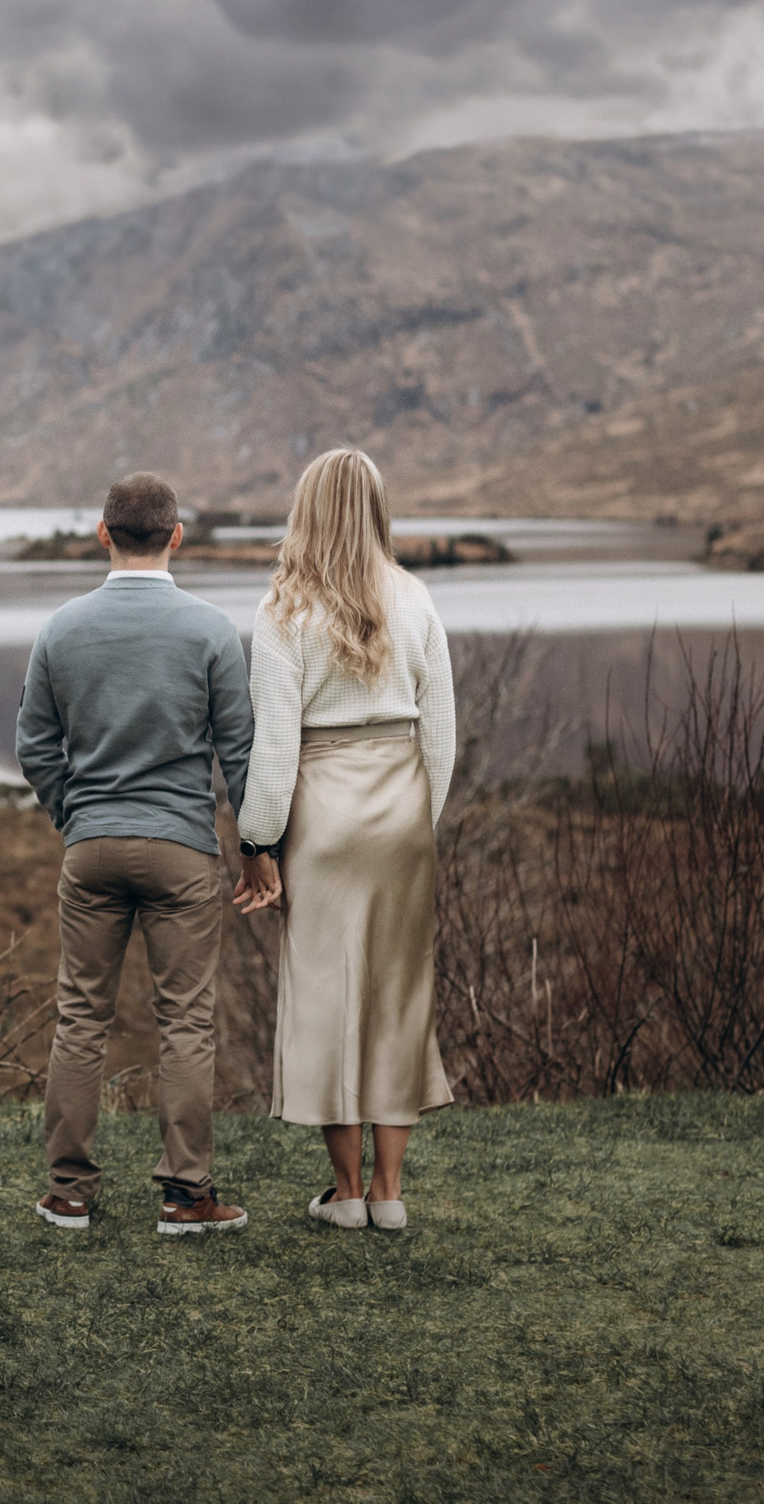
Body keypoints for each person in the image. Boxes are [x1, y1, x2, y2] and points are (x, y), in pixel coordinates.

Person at [17, 472, 258, 1237]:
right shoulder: (211, 630)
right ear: (177, 535)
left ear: (102, 532)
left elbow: (33, 744)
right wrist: (260, 847)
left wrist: (75, 813)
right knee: (186, 1021)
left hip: (90, 849)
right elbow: (241, 751)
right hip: (184, 850)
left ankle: (69, 1194)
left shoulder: (61, 628)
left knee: (79, 1017)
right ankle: (187, 1197)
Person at [231, 448, 455, 1233]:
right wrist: (416, 830)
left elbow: (276, 749)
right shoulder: (416, 597)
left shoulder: (282, 609)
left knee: (329, 996)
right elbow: (443, 736)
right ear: (377, 509)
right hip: (401, 807)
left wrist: (259, 839)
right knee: (397, 997)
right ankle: (392, 1193)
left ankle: (348, 1191)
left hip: (322, 813)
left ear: (307, 512)